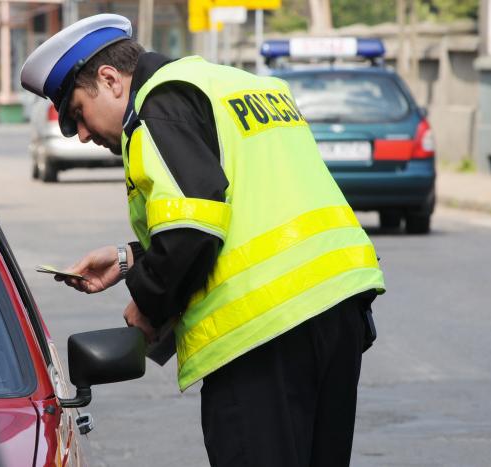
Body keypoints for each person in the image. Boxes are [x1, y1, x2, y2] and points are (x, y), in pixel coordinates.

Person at [21, 13, 385, 467]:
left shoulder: (159, 104)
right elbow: (249, 204)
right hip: (337, 310)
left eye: (78, 113)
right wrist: (130, 258)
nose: (84, 133)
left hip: (262, 332)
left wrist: (149, 305)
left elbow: (192, 231)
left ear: (111, 80)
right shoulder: (236, 83)